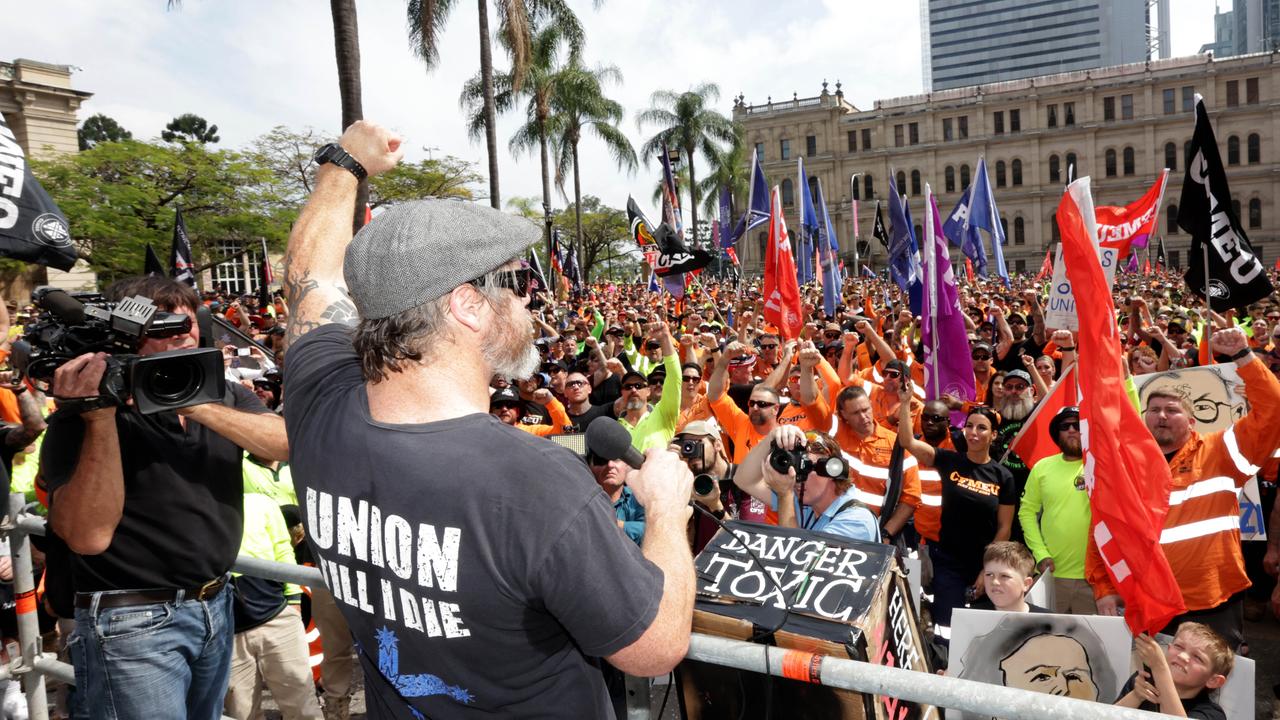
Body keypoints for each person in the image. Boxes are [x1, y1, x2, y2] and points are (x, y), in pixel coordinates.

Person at [281, 121, 695, 717]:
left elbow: (308, 280)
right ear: (467, 305)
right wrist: (663, 510)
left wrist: (342, 163)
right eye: (516, 283)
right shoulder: (535, 483)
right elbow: (654, 648)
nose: (528, 300)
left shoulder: (319, 407)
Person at [41, 275, 287, 720]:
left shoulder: (222, 393)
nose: (178, 334)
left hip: (216, 605)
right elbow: (88, 536)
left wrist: (186, 398)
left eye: (186, 323)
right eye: (161, 326)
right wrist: (99, 418)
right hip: (131, 624)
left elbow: (283, 443)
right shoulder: (82, 416)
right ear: (125, 335)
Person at [1089, 328, 1280, 651]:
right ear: (1143, 417)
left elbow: (1274, 411)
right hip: (1146, 600)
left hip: (1212, 601)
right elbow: (1102, 529)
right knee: (1151, 687)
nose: (1162, 416)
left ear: (1192, 422)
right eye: (1154, 409)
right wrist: (1104, 587)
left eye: (1173, 410)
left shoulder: (1223, 450)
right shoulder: (1124, 466)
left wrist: (1243, 357)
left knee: (1208, 691)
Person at [896, 384, 1016, 644]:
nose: (974, 433)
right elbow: (907, 441)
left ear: (993, 435)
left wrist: (988, 570)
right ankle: (943, 671)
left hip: (983, 564)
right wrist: (905, 403)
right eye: (970, 426)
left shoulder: (1002, 476)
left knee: (983, 630)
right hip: (947, 560)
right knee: (946, 628)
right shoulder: (949, 460)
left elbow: (1004, 528)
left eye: (982, 428)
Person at [224, 493, 322, 720]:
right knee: (241, 713)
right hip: (226, 627)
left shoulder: (261, 503)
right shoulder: (199, 504)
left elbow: (283, 549)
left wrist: (294, 600)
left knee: (302, 707)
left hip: (276, 615)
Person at [734, 426, 880, 542]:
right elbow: (744, 480)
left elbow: (800, 559)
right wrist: (771, 438)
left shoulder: (857, 521)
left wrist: (784, 495)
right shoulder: (805, 501)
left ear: (832, 470)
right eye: (795, 467)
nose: (797, 478)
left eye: (805, 467)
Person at [1018, 406, 1095, 614]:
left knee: (1090, 645)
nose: (1072, 430)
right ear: (1057, 434)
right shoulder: (1042, 467)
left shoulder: (1103, 464)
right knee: (1047, 642)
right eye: (1065, 426)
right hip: (1051, 575)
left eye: (1078, 425)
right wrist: (1040, 554)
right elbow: (1026, 513)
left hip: (1096, 579)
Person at [830, 385, 920, 541]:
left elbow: (911, 497)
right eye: (856, 413)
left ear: (871, 405)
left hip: (879, 532)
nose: (863, 417)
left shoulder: (896, 444)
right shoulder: (835, 438)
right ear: (843, 415)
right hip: (839, 528)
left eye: (865, 410)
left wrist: (885, 534)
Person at [1115, 624, 1231, 719]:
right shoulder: (1143, 680)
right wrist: (1136, 695)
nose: (1182, 656)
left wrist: (1159, 668)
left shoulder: (1212, 713)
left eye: (1197, 657)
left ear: (1213, 680)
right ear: (1168, 649)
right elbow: (1102, 715)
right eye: (1179, 647)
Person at [970, 541, 1050, 614]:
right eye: (989, 574)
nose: (995, 581)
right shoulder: (971, 616)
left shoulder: (1047, 620)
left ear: (1026, 584)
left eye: (1004, 576)